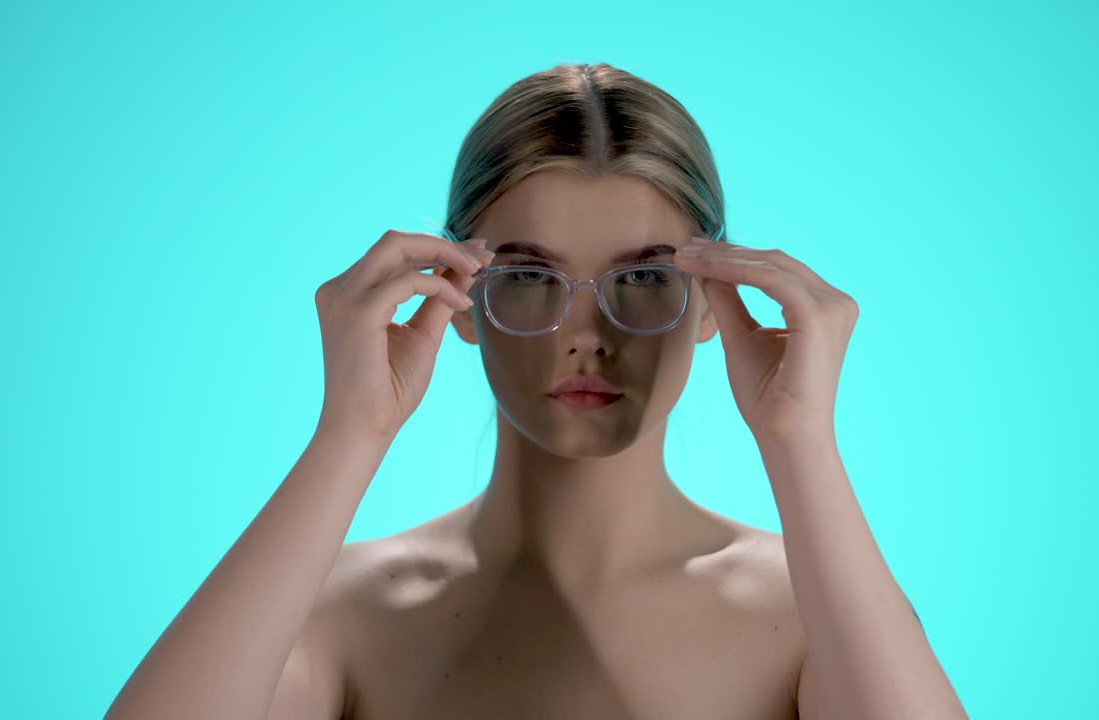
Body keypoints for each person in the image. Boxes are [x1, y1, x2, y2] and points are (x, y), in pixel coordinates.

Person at [106, 62, 958, 720]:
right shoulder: (340, 617)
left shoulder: (821, 610)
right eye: (527, 276)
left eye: (643, 278)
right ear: (458, 295)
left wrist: (800, 444)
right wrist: (349, 435)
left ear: (711, 298)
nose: (588, 336)